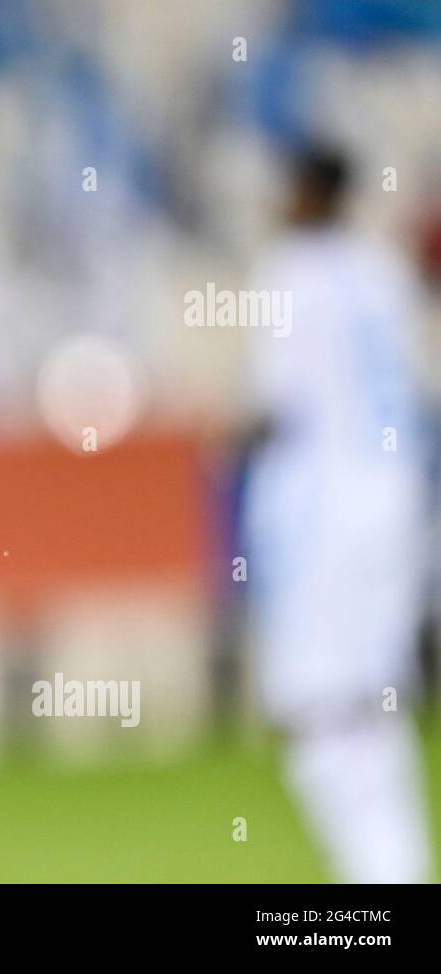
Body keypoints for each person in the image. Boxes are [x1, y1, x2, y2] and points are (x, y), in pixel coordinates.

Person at [241, 145, 433, 883]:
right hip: (393, 500)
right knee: (372, 701)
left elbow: (278, 404)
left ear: (309, 192)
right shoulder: (381, 270)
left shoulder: (295, 272)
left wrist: (231, 445)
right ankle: (398, 868)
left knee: (317, 705)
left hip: (324, 510)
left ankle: (371, 880)